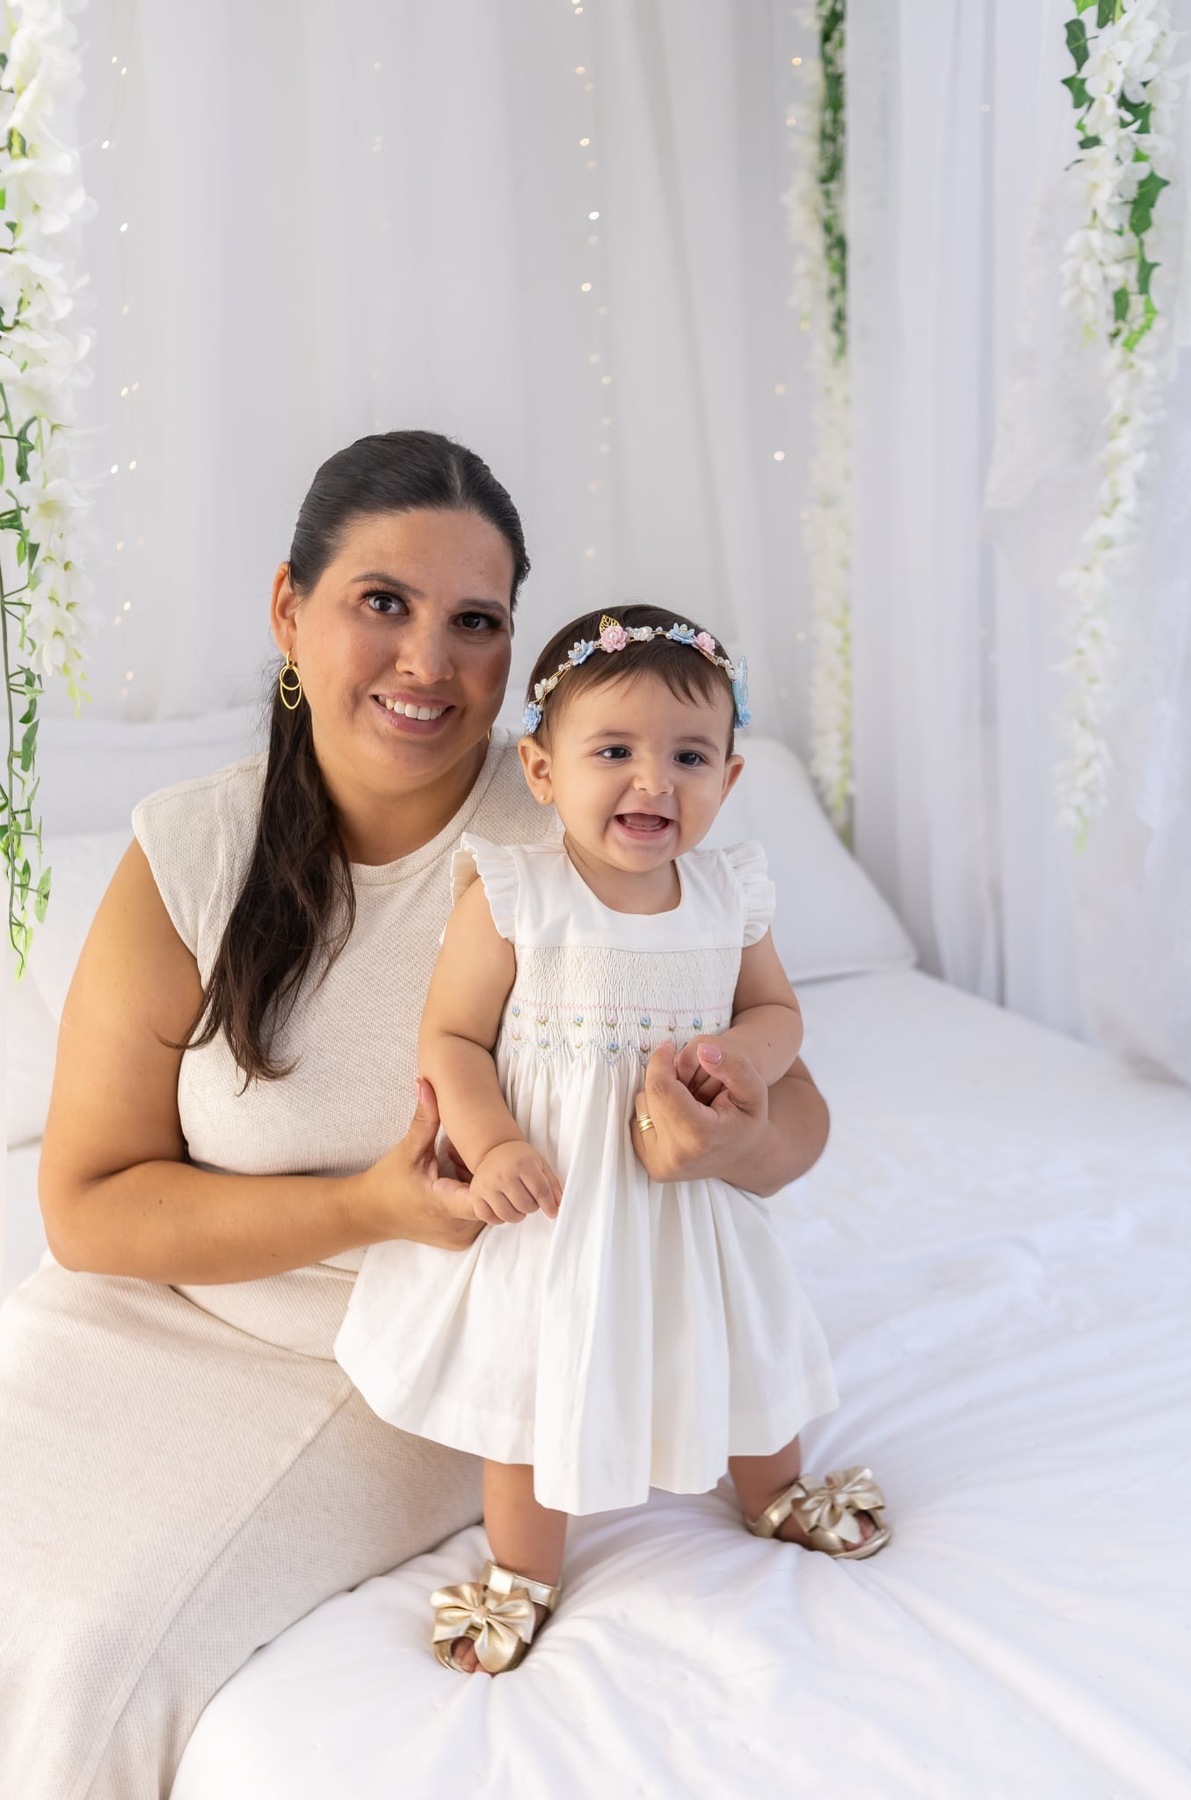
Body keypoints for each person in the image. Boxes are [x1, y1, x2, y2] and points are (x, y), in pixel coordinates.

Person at [0, 432, 835, 1798]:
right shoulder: (190, 855)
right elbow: (88, 1209)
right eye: (381, 602)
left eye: (476, 622)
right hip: (138, 1312)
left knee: (88, 1655)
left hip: (398, 1356)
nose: (426, 661)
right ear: (290, 609)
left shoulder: (592, 825)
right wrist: (370, 1199)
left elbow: (794, 1118)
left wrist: (741, 1136)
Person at [335, 602, 890, 1678]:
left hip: (689, 1192)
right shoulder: (516, 894)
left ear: (728, 781)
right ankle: (524, 1572)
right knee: (532, 1389)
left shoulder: (731, 894)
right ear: (544, 773)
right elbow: (451, 1038)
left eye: (690, 755)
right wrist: (492, 1144)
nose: (654, 781)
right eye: (614, 752)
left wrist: (744, 1057)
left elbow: (781, 1013)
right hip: (555, 1198)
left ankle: (773, 1488)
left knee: (736, 1339)